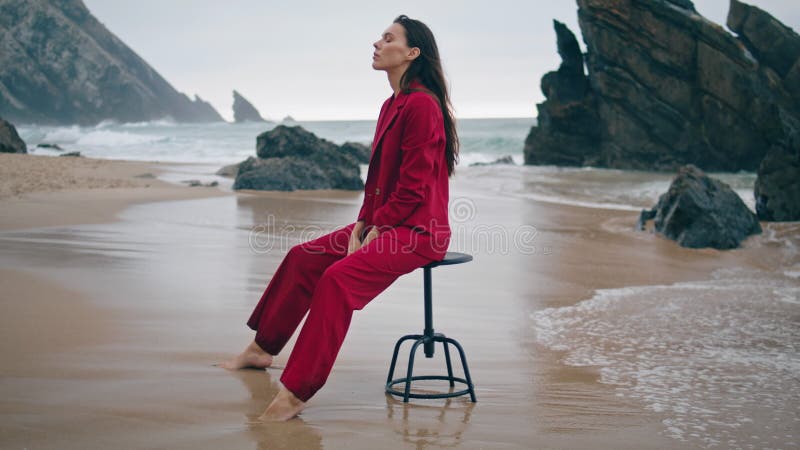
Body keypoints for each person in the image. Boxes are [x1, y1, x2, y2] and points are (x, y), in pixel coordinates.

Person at [220, 14, 459, 421]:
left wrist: (378, 227)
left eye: (388, 38)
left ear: (412, 52)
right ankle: (261, 351)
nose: (377, 43)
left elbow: (414, 185)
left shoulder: (422, 105)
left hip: (420, 231)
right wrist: (364, 224)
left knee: (337, 280)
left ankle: (295, 393)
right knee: (303, 258)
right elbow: (379, 182)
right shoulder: (392, 104)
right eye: (380, 37)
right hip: (386, 222)